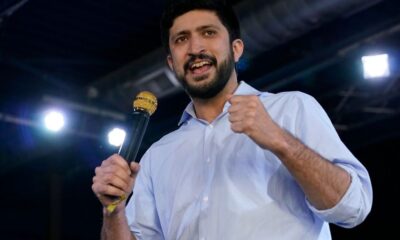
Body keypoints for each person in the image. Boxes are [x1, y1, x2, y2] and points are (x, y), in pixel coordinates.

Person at [92, 0, 373, 239]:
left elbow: (352, 209)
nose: (194, 48)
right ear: (171, 63)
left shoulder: (291, 108)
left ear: (236, 49)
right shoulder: (157, 155)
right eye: (181, 39)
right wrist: (113, 209)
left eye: (208, 33)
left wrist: (282, 142)